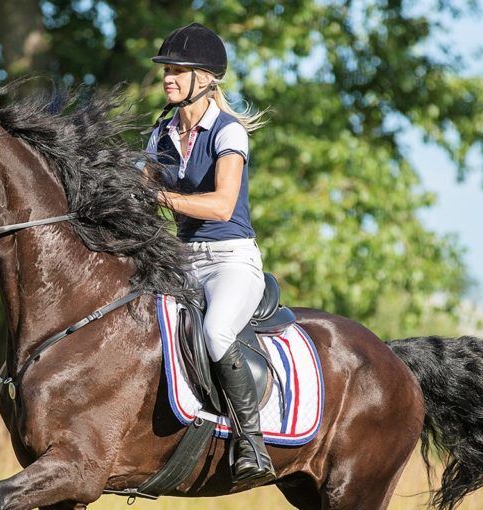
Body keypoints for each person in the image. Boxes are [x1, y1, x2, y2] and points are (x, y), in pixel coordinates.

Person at [145, 22, 274, 484]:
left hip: (230, 261)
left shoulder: (228, 132)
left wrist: (160, 199)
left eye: (179, 71)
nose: (168, 78)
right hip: (180, 261)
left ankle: (251, 444)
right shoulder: (159, 134)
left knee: (217, 332)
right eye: (166, 71)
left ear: (205, 79)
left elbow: (221, 206)